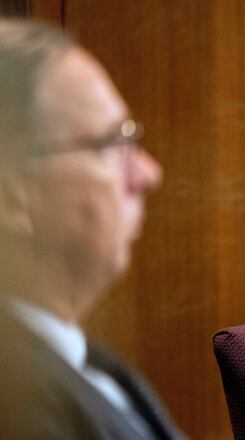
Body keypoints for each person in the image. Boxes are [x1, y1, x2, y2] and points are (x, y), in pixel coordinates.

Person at [0, 19, 184, 439]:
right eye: (113, 143)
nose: (148, 173)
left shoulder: (75, 361)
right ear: (13, 196)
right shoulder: (19, 407)